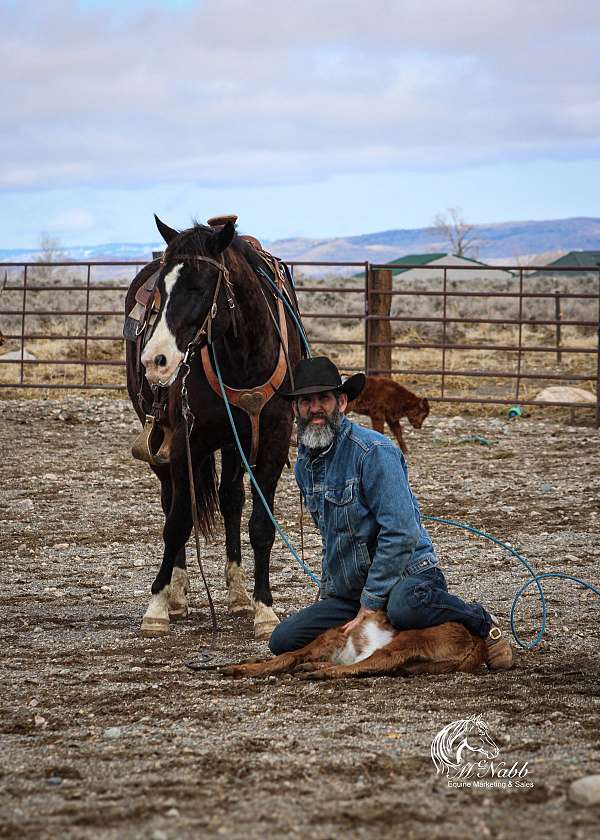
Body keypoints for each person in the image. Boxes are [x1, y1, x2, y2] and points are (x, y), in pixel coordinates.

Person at [269, 356, 513, 670]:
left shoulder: (374, 451)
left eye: (324, 399)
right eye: (306, 401)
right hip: (353, 589)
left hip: (407, 576)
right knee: (283, 640)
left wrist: (370, 603)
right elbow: (332, 536)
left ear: (342, 403)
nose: (315, 408)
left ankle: (481, 622)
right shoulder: (305, 464)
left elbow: (402, 533)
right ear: (295, 409)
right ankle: (391, 637)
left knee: (404, 607)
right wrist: (337, 596)